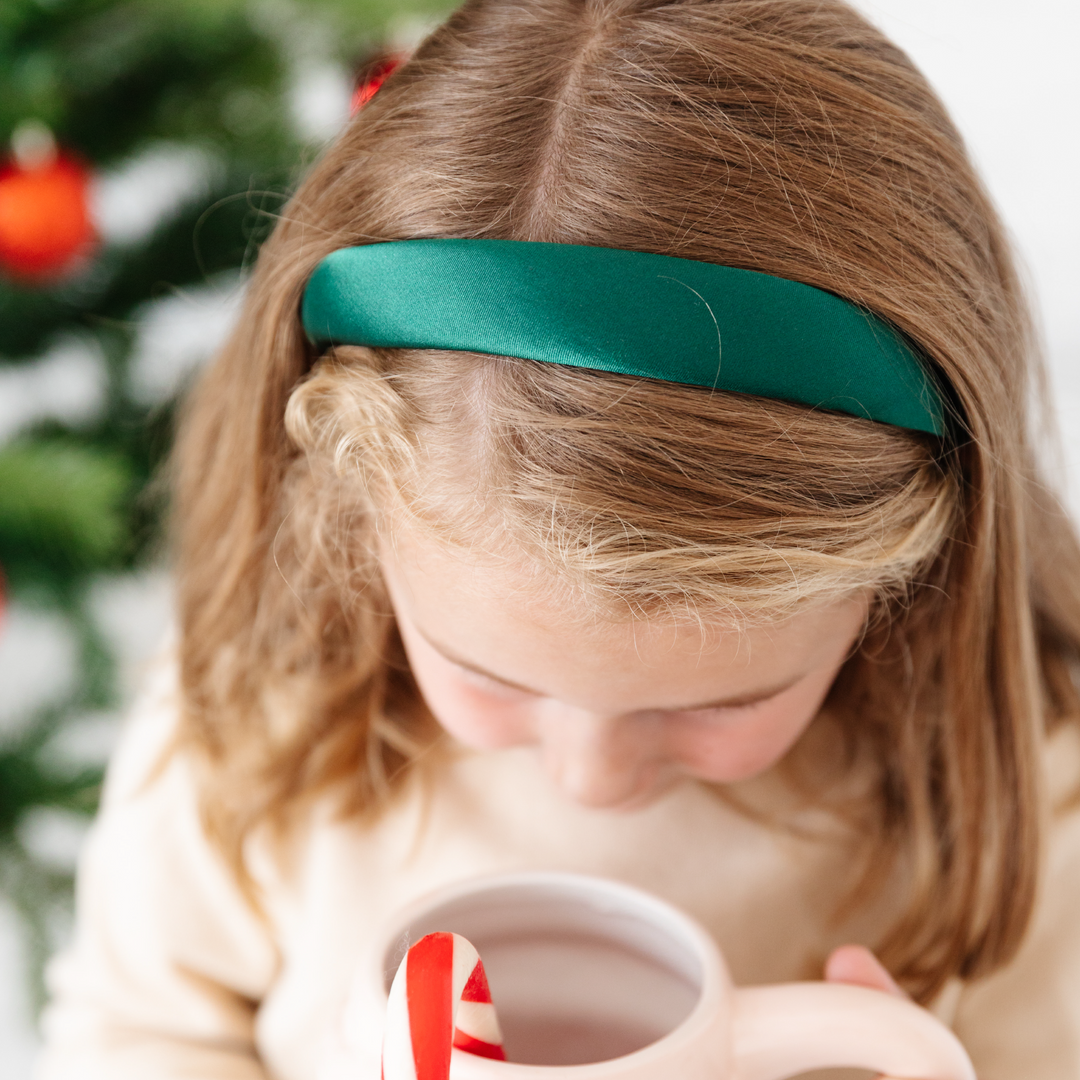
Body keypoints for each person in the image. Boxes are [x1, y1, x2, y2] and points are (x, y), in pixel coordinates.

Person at [36, 1, 1080, 1078]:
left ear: (922, 565)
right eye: (483, 670)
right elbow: (137, 1032)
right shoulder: (256, 720)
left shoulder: (1017, 803)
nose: (593, 776)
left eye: (720, 701)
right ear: (342, 510)